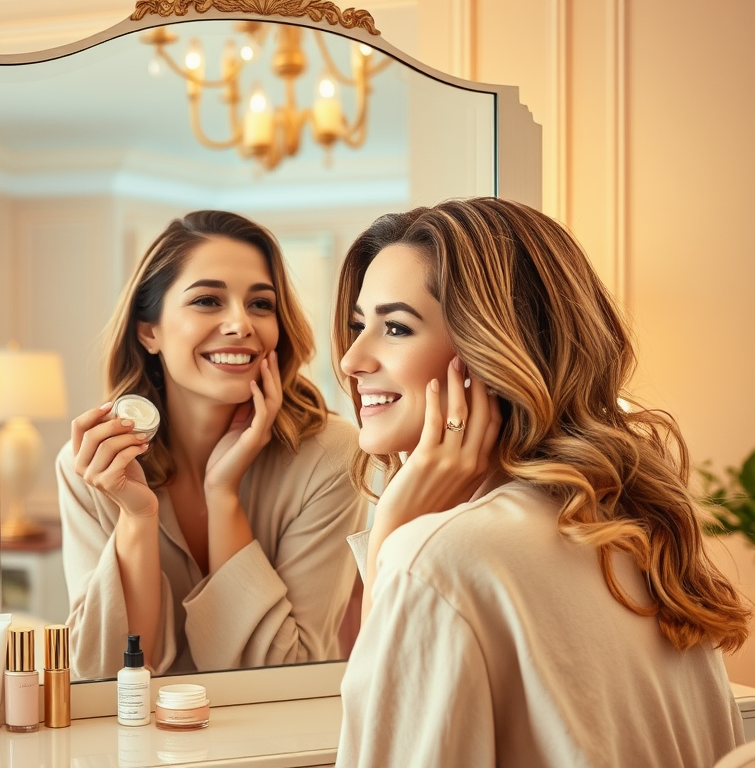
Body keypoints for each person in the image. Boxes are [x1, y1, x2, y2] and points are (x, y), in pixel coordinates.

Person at [332, 197, 750, 767]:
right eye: (360, 325)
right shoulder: (635, 531)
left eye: (396, 327)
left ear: (490, 352)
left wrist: (394, 536)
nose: (353, 359)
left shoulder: (439, 559)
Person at [56, 210, 364, 678]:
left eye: (261, 305)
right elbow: (103, 679)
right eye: (207, 301)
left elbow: (285, 676)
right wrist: (136, 517)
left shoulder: (331, 456)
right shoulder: (92, 464)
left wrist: (223, 496)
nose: (241, 324)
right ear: (149, 330)